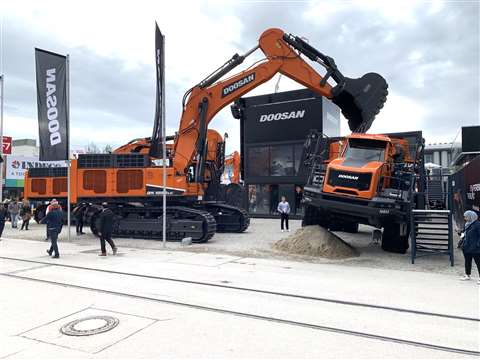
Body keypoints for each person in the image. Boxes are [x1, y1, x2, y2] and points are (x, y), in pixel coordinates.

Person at [460, 210, 480, 284]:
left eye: (466, 216)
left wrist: (478, 245)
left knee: (478, 263)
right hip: (466, 246)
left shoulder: (477, 224)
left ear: (471, 216)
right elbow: (465, 233)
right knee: (467, 261)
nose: (465, 218)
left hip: (475, 248)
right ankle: (467, 275)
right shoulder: (467, 224)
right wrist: (460, 233)